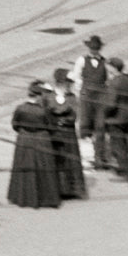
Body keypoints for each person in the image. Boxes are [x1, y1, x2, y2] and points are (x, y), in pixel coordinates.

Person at [7, 81, 61, 209]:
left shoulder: (20, 108)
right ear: (38, 96)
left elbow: (15, 125)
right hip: (41, 140)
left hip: (24, 140)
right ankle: (46, 198)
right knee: (44, 169)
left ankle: (22, 197)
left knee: (24, 169)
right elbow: (51, 126)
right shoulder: (43, 111)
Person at [43, 68, 86, 199]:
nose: (69, 86)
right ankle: (58, 189)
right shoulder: (48, 97)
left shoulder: (71, 98)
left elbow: (75, 115)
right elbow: (44, 114)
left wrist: (63, 119)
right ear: (60, 83)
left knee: (70, 161)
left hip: (68, 135)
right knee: (57, 161)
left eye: (69, 83)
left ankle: (71, 190)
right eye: (67, 83)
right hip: (55, 134)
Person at [71, 34, 109, 169]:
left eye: (96, 49)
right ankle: (86, 156)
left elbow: (106, 81)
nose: (94, 51)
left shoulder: (104, 62)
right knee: (85, 125)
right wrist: (80, 92)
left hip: (100, 99)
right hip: (86, 97)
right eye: (92, 49)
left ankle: (100, 157)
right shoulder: (82, 60)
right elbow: (76, 77)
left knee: (100, 127)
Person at [103, 57, 128, 179]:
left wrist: (104, 113)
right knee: (124, 144)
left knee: (118, 145)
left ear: (114, 68)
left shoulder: (114, 82)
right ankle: (126, 167)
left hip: (116, 118)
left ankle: (124, 173)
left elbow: (111, 103)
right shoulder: (127, 79)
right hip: (127, 115)